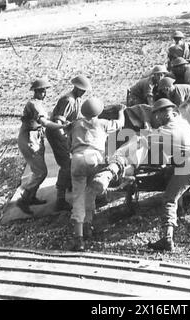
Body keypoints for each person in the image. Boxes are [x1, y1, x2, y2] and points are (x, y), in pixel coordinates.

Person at [91, 98, 190, 251]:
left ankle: (167, 239)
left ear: (162, 115)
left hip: (188, 165)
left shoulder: (166, 131)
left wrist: (121, 153)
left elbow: (142, 141)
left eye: (156, 115)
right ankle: (180, 210)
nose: (155, 118)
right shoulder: (182, 123)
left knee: (169, 199)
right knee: (171, 179)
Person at [68, 97, 126, 251]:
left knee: (78, 196)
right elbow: (121, 123)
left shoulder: (76, 123)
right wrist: (121, 111)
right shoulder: (103, 123)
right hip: (94, 158)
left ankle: (78, 239)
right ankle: (88, 225)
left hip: (78, 158)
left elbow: (65, 136)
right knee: (91, 191)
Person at [17, 78, 70, 215]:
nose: (44, 93)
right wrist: (62, 126)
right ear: (35, 91)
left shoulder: (38, 103)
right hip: (29, 139)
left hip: (35, 138)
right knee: (41, 172)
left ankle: (31, 197)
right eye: (41, 91)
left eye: (45, 91)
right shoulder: (34, 105)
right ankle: (23, 200)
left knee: (38, 171)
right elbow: (44, 122)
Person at [46, 75, 92, 211]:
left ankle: (69, 183)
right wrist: (64, 139)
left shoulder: (77, 99)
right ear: (76, 88)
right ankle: (60, 199)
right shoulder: (69, 100)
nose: (84, 92)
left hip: (66, 133)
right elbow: (58, 122)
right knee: (67, 164)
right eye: (82, 90)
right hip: (56, 134)